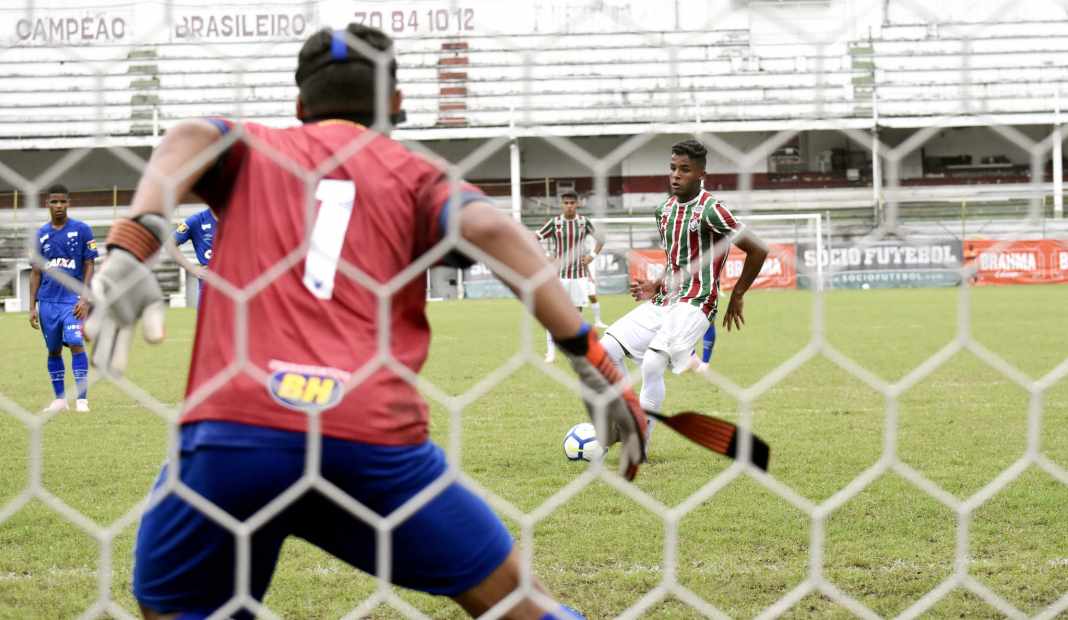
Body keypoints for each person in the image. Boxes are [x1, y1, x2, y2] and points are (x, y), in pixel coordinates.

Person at [85, 24, 646, 620]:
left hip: (236, 429)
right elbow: (491, 230)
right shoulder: (417, 177)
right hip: (368, 438)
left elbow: (190, 134)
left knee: (173, 606)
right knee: (518, 604)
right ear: (396, 104)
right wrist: (590, 353)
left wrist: (132, 241)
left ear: (300, 107)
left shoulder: (255, 148)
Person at [600, 139, 768, 435]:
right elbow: (676, 262)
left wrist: (738, 294)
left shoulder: (712, 210)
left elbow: (758, 249)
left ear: (700, 174)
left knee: (652, 363)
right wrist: (655, 284)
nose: (676, 175)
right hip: (665, 301)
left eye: (685, 170)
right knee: (604, 350)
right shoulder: (664, 211)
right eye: (673, 168)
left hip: (698, 302)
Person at [29, 183, 97, 413]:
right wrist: (32, 307)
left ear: (69, 203)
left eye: (62, 201)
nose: (58, 206)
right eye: (54, 202)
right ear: (46, 204)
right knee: (54, 350)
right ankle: (60, 399)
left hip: (73, 300)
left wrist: (85, 298)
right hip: (48, 302)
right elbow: (36, 273)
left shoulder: (82, 230)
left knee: (76, 343)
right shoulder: (40, 235)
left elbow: (89, 264)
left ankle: (82, 400)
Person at [535, 192, 605, 363]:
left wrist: (592, 256)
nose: (569, 206)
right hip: (559, 276)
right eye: (566, 203)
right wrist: (546, 255)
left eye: (572, 202)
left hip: (579, 276)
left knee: (576, 315)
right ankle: (550, 352)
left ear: (577, 204)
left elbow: (601, 239)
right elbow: (535, 238)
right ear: (561, 204)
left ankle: (576, 351)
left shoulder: (583, 222)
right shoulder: (555, 223)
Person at [170, 207, 217, 308]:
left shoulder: (238, 218)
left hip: (236, 285)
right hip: (209, 287)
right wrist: (193, 269)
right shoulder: (197, 220)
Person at [584, 246, 608, 330]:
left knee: (593, 297)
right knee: (575, 302)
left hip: (585, 277)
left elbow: (584, 262)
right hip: (574, 278)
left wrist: (589, 276)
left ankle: (598, 322)